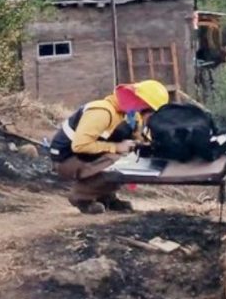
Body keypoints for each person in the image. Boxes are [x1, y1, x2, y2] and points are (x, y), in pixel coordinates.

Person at [49, 80, 170, 214]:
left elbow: (136, 138)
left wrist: (143, 145)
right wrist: (116, 147)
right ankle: (81, 197)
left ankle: (106, 197)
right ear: (143, 103)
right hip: (66, 159)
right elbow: (80, 146)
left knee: (131, 159)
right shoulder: (102, 112)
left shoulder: (130, 115)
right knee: (120, 162)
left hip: (88, 156)